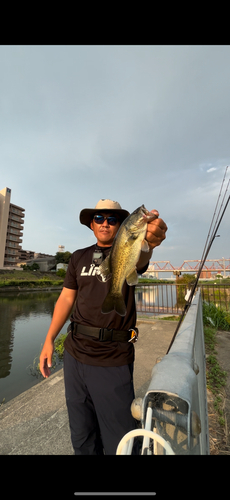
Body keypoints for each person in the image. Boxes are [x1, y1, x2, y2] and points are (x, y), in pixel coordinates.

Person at [40, 199, 167, 455]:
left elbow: (143, 256)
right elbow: (66, 298)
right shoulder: (78, 257)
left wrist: (151, 241)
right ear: (91, 223)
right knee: (82, 432)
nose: (105, 223)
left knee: (120, 438)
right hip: (75, 355)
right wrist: (49, 338)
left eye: (112, 219)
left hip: (112, 358)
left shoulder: (132, 244)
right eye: (99, 218)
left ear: (121, 226)